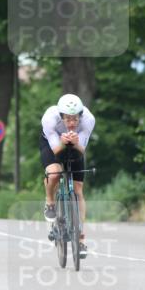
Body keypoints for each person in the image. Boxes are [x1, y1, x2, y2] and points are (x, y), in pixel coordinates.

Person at [40, 93, 95, 257]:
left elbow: (81, 150)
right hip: (52, 144)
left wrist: (75, 141)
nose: (71, 123)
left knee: (78, 189)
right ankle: (50, 201)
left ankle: (80, 238)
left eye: (75, 119)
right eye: (68, 119)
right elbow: (57, 150)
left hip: (76, 145)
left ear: (81, 116)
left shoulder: (88, 120)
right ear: (61, 116)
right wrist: (63, 141)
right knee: (55, 173)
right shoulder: (50, 119)